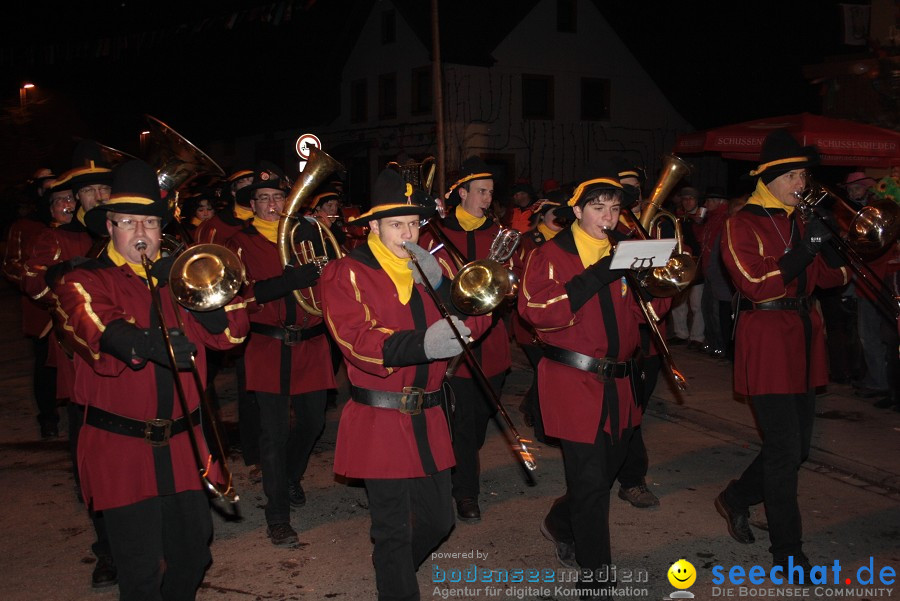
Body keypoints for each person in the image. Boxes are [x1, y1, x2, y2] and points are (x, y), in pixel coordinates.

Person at [51, 159, 250, 600]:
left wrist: (204, 297)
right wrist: (150, 343)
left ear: (162, 230)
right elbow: (93, 325)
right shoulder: (84, 278)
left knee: (193, 556)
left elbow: (232, 335)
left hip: (183, 444)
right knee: (141, 572)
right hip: (121, 448)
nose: (140, 231)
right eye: (128, 222)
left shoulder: (182, 276)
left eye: (151, 222)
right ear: (111, 228)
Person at [320, 168, 490, 601]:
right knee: (392, 531)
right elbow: (356, 340)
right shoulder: (346, 272)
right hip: (380, 416)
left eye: (414, 223)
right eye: (397, 224)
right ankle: (394, 580)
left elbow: (477, 320)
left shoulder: (431, 266)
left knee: (439, 522)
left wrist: (446, 288)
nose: (408, 232)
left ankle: (391, 572)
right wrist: (421, 344)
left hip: (430, 414)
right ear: (373, 226)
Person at [519, 162, 670, 599]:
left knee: (603, 476)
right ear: (577, 210)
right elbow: (538, 313)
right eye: (598, 207)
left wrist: (656, 286)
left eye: (615, 207)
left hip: (621, 382)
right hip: (573, 380)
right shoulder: (549, 254)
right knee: (589, 483)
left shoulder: (629, 246)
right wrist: (602, 272)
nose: (608, 216)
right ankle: (596, 576)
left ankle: (560, 522)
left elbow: (649, 313)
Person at [715, 129, 849, 573]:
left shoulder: (799, 222)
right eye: (793, 176)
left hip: (805, 337)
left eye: (804, 176)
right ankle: (788, 553)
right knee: (785, 448)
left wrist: (828, 244)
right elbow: (755, 282)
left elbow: (833, 280)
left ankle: (735, 497)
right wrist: (802, 249)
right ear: (770, 178)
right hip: (768, 337)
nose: (801, 185)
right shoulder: (742, 222)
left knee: (795, 449)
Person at [225, 164, 334, 547]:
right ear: (252, 204)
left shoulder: (309, 232)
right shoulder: (238, 242)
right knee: (272, 435)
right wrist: (286, 283)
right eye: (264, 199)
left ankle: (289, 477)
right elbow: (237, 297)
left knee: (312, 423)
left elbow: (336, 276)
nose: (273, 204)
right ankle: (277, 516)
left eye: (278, 197)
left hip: (313, 343)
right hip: (268, 346)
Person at [418, 156, 512, 523]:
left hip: (492, 345)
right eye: (481, 192)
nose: (488, 199)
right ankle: (466, 493)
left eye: (490, 192)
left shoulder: (497, 233)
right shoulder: (438, 234)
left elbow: (508, 279)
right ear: (462, 192)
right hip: (454, 340)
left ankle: (462, 463)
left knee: (479, 422)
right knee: (464, 420)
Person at [612, 161, 662, 510]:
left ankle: (622, 469)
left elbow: (674, 275)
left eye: (634, 190)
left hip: (650, 337)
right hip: (618, 335)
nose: (631, 197)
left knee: (636, 410)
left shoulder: (654, 225)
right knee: (628, 413)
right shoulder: (608, 230)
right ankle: (631, 478)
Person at [697, 186, 732, 359]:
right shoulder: (711, 219)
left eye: (710, 201)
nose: (706, 204)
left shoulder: (725, 219)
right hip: (709, 271)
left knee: (718, 311)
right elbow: (701, 241)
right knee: (707, 309)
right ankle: (714, 343)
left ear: (719, 203)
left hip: (718, 273)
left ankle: (722, 346)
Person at [669, 186, 705, 349]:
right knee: (679, 302)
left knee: (697, 303)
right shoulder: (677, 217)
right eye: (685, 199)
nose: (687, 202)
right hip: (681, 263)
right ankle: (681, 334)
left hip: (698, 262)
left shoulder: (703, 217)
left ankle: (697, 337)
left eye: (691, 198)